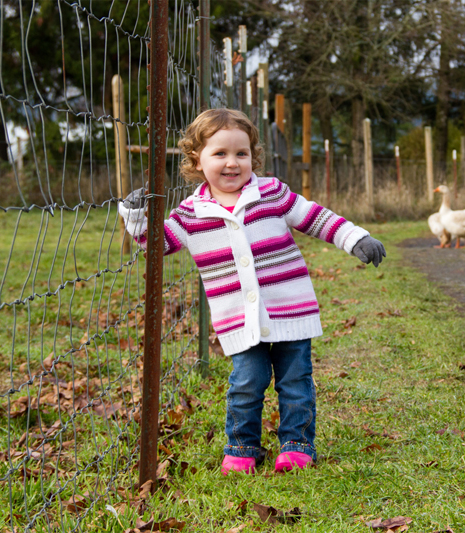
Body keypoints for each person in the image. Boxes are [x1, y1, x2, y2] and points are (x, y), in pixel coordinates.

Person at [118, 108, 385, 475]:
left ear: (253, 157)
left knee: (295, 382)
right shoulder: (191, 214)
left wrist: (355, 237)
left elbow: (315, 216)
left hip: (290, 310)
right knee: (246, 383)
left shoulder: (271, 193)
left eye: (241, 154)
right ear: (197, 159)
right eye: (220, 154)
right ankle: (242, 447)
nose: (232, 163)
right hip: (238, 319)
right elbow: (158, 244)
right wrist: (136, 217)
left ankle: (297, 444)